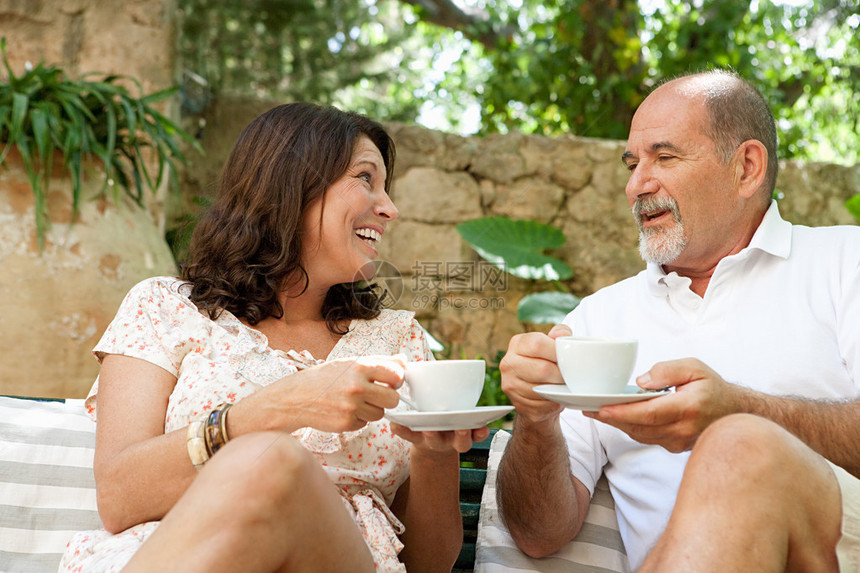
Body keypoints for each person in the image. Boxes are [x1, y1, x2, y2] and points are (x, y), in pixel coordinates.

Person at [60, 103, 489, 573]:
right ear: (291, 186)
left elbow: (428, 566)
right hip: (179, 555)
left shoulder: (398, 338)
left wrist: (433, 454)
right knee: (273, 461)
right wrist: (281, 407)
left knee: (278, 464)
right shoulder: (163, 308)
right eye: (366, 178)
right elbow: (120, 496)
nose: (390, 209)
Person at [497, 69, 860, 572]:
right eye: (632, 163)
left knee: (739, 443)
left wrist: (740, 410)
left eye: (664, 157)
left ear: (747, 168)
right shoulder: (596, 321)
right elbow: (538, 536)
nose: (636, 185)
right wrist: (536, 421)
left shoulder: (847, 262)